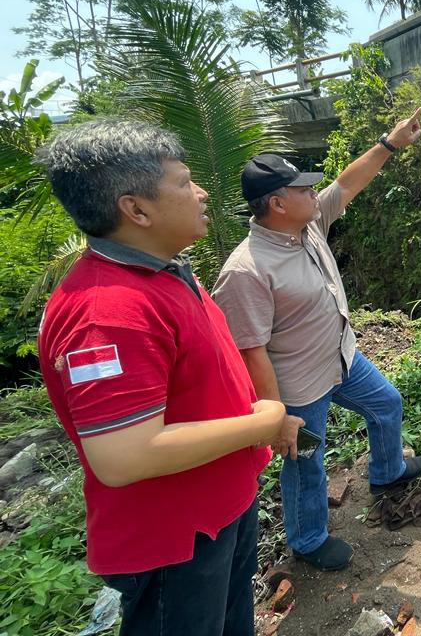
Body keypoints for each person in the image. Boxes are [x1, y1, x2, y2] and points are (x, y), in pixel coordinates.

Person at [36, 120, 290, 636]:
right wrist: (264, 423)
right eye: (183, 181)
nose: (199, 192)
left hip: (219, 509)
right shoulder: (107, 312)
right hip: (176, 539)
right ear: (136, 208)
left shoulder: (164, 270)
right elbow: (126, 455)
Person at [212, 108, 421, 572]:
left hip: (341, 359)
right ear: (276, 203)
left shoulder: (307, 226)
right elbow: (250, 351)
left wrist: (390, 144)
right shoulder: (247, 270)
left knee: (387, 403)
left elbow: (349, 184)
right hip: (298, 389)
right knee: (306, 462)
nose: (315, 192)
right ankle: (308, 539)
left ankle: (387, 472)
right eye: (303, 188)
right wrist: (277, 416)